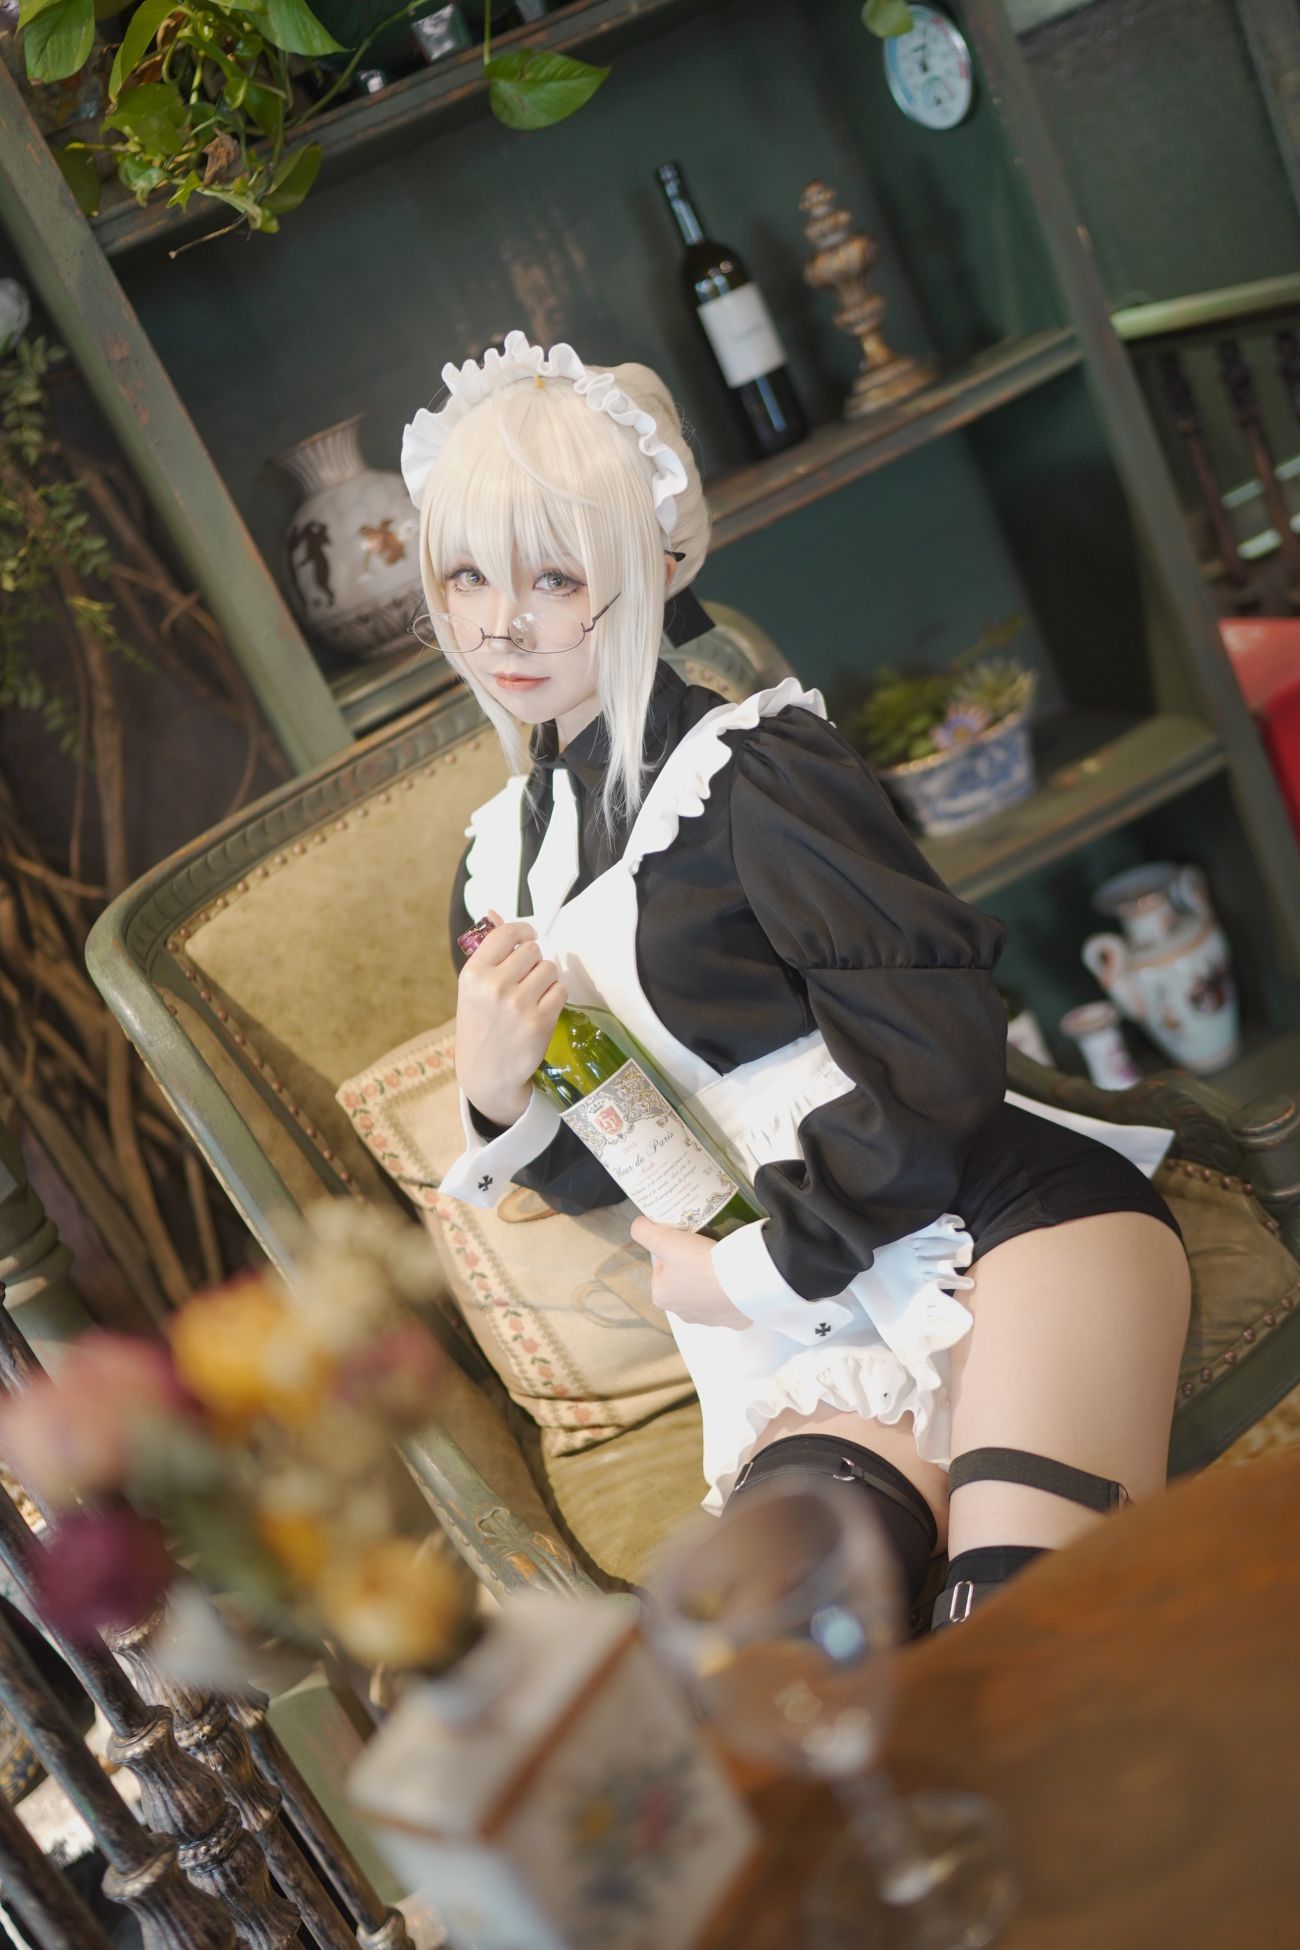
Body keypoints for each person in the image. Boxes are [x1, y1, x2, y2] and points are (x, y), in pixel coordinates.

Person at [401, 332, 1191, 1629]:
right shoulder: (498, 867)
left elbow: (937, 1054)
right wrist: (494, 1095)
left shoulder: (758, 770)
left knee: (1021, 1652)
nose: (500, 621)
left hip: (999, 1230)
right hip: (806, 1333)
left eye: (555, 573)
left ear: (658, 559)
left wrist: (756, 1269)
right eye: (468, 573)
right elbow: (612, 1168)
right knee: (789, 1666)